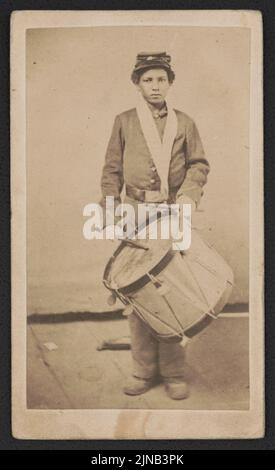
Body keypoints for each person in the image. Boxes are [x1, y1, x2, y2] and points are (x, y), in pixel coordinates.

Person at [100, 52, 210, 399]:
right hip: (134, 213)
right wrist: (111, 208)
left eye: (161, 79)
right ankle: (142, 371)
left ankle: (174, 373)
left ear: (170, 83)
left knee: (173, 292)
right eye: (148, 79)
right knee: (138, 296)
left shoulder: (185, 123)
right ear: (137, 84)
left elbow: (199, 165)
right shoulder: (124, 121)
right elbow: (111, 171)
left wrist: (189, 196)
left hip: (172, 213)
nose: (155, 86)